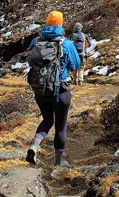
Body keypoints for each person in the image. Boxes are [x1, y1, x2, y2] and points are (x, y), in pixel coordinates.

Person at [25, 11, 81, 166]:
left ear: (47, 23)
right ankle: (58, 162)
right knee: (60, 126)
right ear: (60, 24)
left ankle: (34, 146)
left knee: (47, 119)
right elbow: (76, 64)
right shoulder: (66, 43)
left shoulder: (36, 41)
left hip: (40, 89)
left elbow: (29, 60)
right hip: (60, 90)